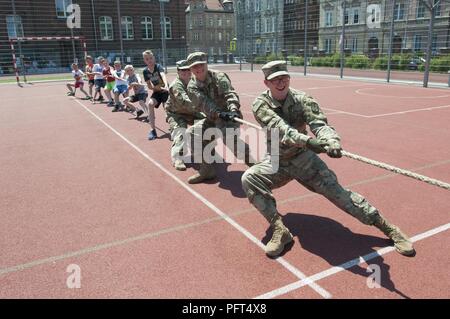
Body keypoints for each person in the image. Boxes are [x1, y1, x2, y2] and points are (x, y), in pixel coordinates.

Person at [241, 60, 415, 257]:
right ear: (267, 83)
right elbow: (282, 129)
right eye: (275, 80)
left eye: (284, 78)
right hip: (277, 161)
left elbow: (319, 124)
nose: (280, 82)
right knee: (250, 178)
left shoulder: (302, 99)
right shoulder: (260, 105)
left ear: (289, 79)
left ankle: (389, 229)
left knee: (341, 196)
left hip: (304, 159)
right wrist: (309, 142)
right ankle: (280, 230)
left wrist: (331, 141)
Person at [185, 52, 253, 184]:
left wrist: (233, 109)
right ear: (191, 69)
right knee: (192, 133)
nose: (198, 69)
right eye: (194, 67)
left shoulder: (219, 77)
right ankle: (207, 170)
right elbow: (204, 104)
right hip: (213, 117)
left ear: (206, 64)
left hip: (229, 117)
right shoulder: (192, 87)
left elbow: (230, 94)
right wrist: (219, 114)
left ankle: (257, 167)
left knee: (230, 141)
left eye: (201, 65)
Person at [165, 60, 205, 171]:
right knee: (181, 132)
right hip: (176, 113)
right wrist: (202, 109)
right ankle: (178, 158)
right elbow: (185, 101)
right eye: (183, 70)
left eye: (188, 69)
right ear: (178, 72)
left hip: (191, 112)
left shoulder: (195, 81)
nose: (186, 72)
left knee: (207, 123)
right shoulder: (176, 85)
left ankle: (204, 149)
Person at [142, 50, 169, 140]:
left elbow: (163, 75)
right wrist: (153, 87)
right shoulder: (145, 71)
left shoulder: (158, 67)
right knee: (150, 104)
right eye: (147, 59)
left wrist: (165, 85)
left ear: (154, 58)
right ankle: (152, 130)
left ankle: (172, 124)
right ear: (144, 61)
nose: (149, 60)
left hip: (165, 91)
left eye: (151, 58)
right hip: (157, 92)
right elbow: (149, 86)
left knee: (167, 110)